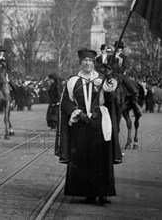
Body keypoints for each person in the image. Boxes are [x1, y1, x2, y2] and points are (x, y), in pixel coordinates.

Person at [55, 48, 118, 205]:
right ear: (81, 63)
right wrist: (78, 113)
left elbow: (110, 96)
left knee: (101, 156)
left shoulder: (102, 79)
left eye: (90, 61)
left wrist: (109, 76)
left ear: (94, 63)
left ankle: (104, 193)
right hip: (81, 123)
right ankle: (88, 192)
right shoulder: (73, 81)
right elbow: (66, 102)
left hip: (99, 122)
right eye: (85, 61)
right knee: (83, 157)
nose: (87, 63)